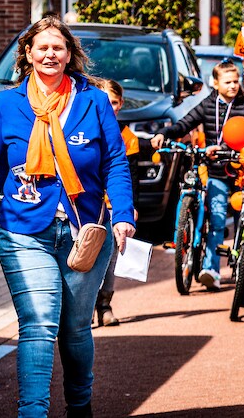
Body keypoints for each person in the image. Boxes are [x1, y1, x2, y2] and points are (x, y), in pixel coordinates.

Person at [0, 16, 135, 417]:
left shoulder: (92, 100)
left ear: (70, 54)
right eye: (42, 47)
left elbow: (114, 162)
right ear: (28, 54)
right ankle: (32, 412)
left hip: (84, 234)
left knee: (74, 330)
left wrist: (122, 214)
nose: (50, 54)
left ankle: (80, 407)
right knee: (38, 325)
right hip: (25, 232)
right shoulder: (8, 103)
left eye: (58, 47)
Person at [150, 60, 244, 290]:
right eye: (227, 82)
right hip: (217, 172)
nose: (233, 86)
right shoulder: (208, 105)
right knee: (217, 219)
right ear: (216, 83)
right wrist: (164, 133)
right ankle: (211, 270)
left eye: (236, 81)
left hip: (240, 171)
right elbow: (184, 124)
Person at [92, 78, 140, 327]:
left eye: (113, 102)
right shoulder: (85, 128)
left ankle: (105, 305)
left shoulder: (127, 137)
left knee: (110, 258)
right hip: (86, 204)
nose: (108, 107)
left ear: (120, 104)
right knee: (84, 255)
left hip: (112, 206)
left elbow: (130, 175)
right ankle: (85, 306)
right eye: (103, 101)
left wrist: (130, 207)